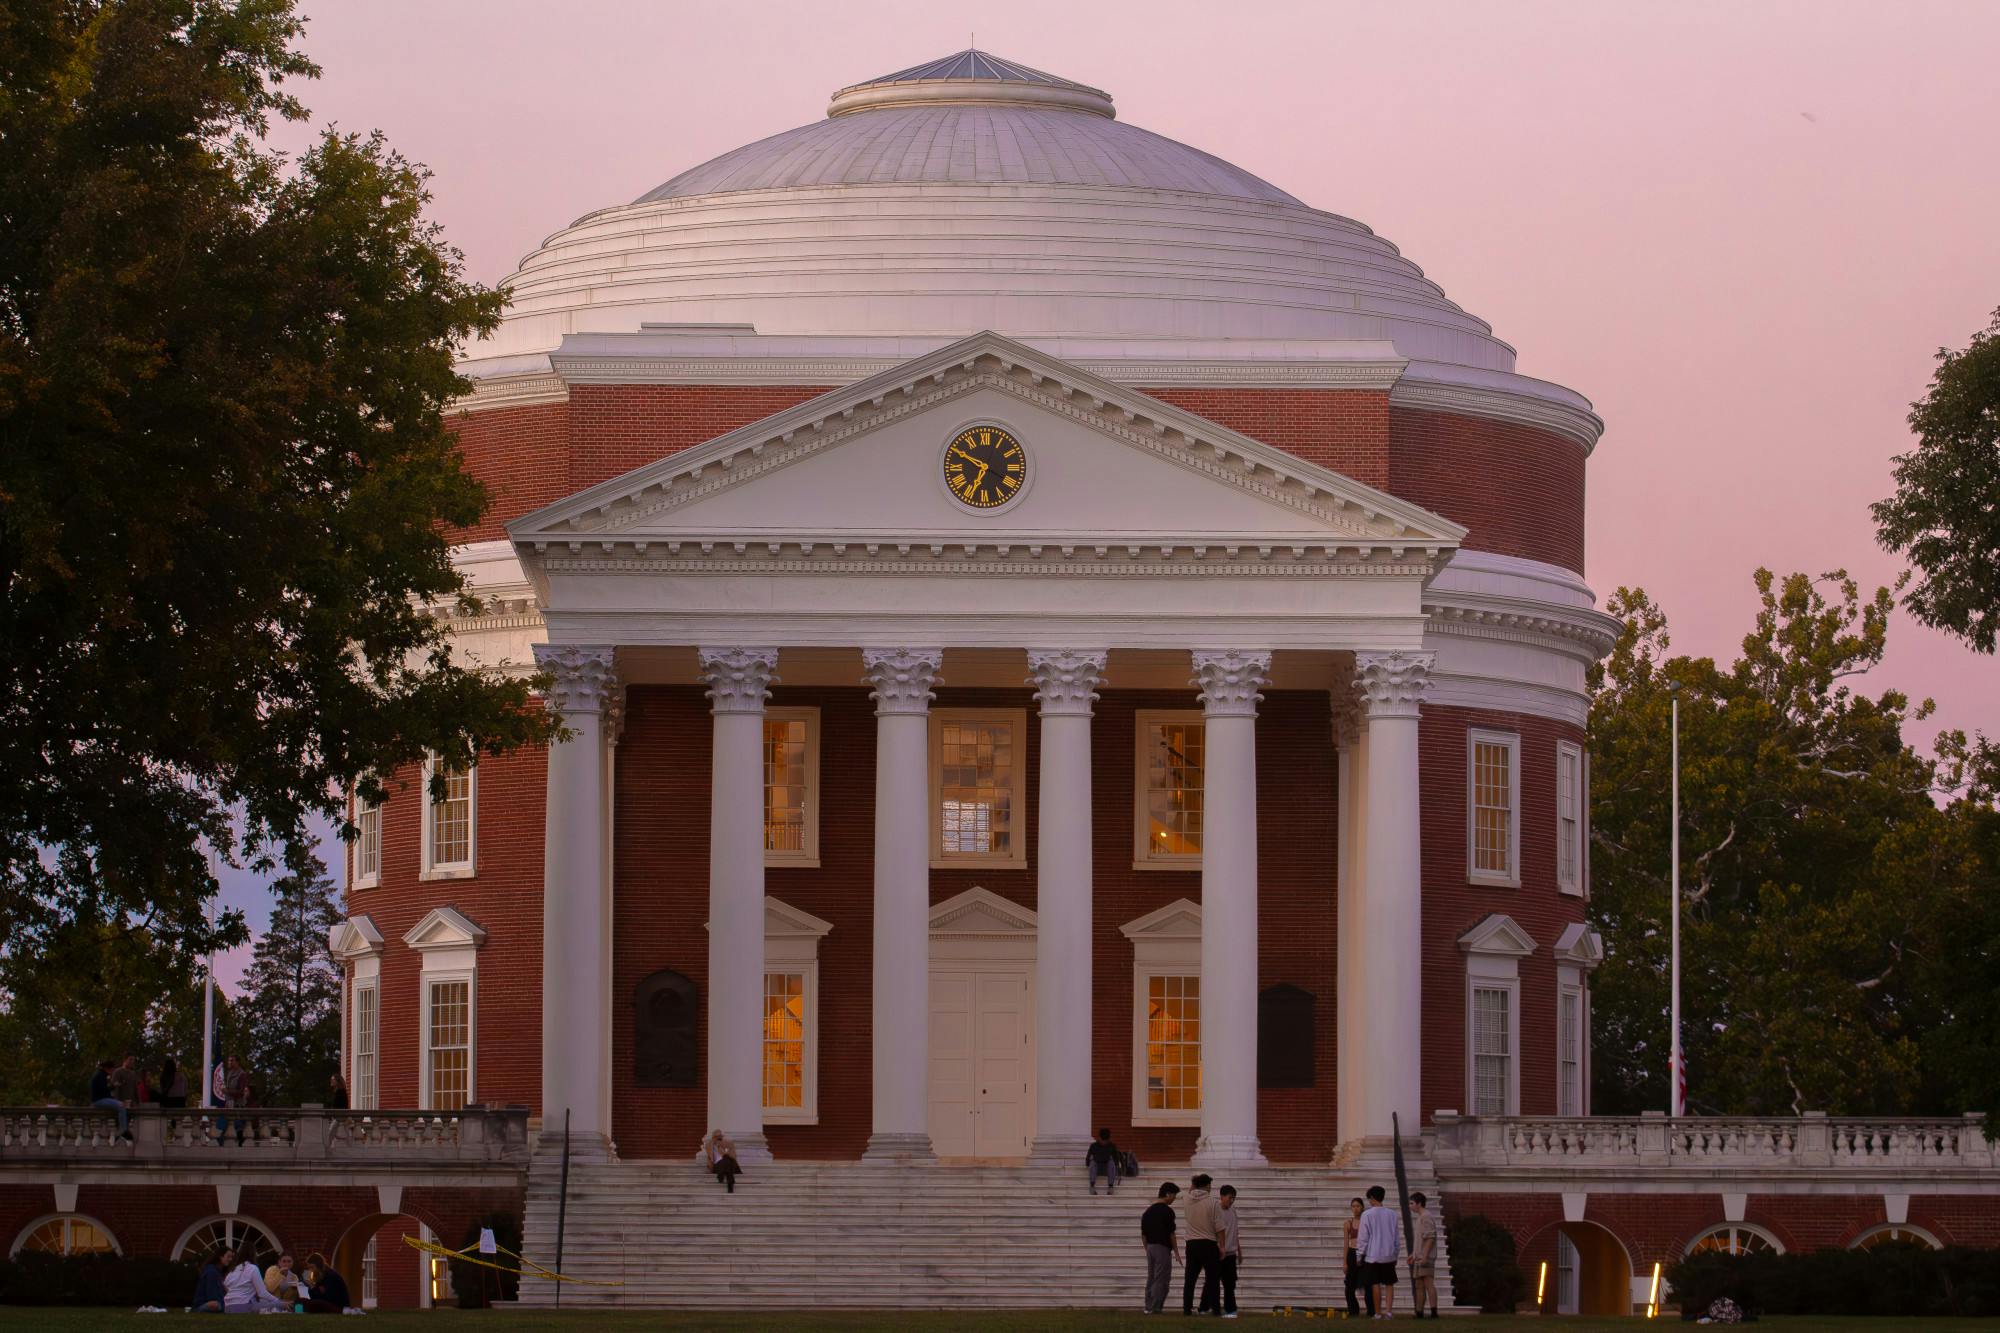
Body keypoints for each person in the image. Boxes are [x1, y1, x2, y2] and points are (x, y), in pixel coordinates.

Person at [1181, 1173, 1223, 1317]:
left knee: (1190, 1279)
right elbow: (1220, 1228)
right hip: (1208, 1243)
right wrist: (1222, 1246)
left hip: (1191, 1244)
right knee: (1212, 1279)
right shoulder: (1213, 1202)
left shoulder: (1186, 1199)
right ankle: (1216, 1309)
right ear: (1206, 1186)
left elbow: (1190, 1190)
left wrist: (1194, 1183)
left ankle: (1187, 1309)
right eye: (1210, 1185)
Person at [1356, 1185, 1401, 1320]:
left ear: (1372, 1198)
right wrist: (1395, 1254)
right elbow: (1396, 1237)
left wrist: (1359, 1255)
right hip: (1389, 1254)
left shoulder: (1367, 1215)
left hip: (1373, 1255)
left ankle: (1377, 1312)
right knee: (1389, 1283)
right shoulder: (1392, 1214)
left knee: (1375, 1283)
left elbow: (1363, 1238)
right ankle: (1389, 1312)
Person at [1139, 1181, 1180, 1315]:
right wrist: (1176, 1252)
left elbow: (1143, 1234)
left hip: (1150, 1246)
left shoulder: (1148, 1212)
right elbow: (1171, 1234)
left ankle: (1148, 1305)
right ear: (1167, 1194)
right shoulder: (1167, 1211)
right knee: (1161, 1278)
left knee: (1151, 1277)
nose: (1174, 1198)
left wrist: (1147, 1249)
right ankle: (1156, 1307)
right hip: (1162, 1247)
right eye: (1174, 1195)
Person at [222, 1247, 284, 1312]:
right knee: (271, 1305)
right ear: (253, 1255)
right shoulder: (253, 1268)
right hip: (242, 1306)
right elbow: (262, 1293)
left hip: (227, 1307)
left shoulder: (232, 1270)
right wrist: (279, 1302)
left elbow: (225, 1287)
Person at [1408, 1192, 1439, 1319]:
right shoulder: (1421, 1217)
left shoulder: (1426, 1217)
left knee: (1428, 1284)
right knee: (1419, 1285)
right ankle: (1419, 1312)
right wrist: (1414, 1254)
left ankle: (1434, 1312)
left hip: (1425, 1257)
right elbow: (1420, 1239)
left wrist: (1425, 1256)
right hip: (1419, 1257)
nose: (1410, 1206)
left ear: (1419, 1203)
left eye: (1412, 1203)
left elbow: (1430, 1238)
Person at [1215, 1183, 1244, 1319]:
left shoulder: (1233, 1211)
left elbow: (1235, 1232)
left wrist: (1239, 1250)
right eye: (1229, 1197)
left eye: (1233, 1198)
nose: (1231, 1201)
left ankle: (1230, 1309)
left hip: (1231, 1253)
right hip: (1218, 1253)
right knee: (1212, 1282)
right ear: (1222, 1196)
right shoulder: (1216, 1211)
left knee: (1229, 1284)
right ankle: (1205, 1307)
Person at [1342, 1196, 1371, 1319]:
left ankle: (1371, 1310)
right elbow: (1346, 1244)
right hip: (1352, 1253)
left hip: (1365, 1254)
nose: (1355, 1208)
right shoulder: (1348, 1223)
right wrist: (1344, 1262)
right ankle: (1353, 1310)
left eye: (1358, 1206)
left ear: (1362, 1207)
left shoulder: (1367, 1221)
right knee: (1349, 1285)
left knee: (1368, 1284)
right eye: (1353, 1206)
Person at [89, 1057, 132, 1140]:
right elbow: (103, 1091)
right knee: (122, 1106)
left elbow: (105, 1092)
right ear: (108, 1068)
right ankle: (123, 1129)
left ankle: (123, 1128)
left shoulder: (102, 1075)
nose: (113, 1072)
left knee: (121, 1104)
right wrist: (113, 1086)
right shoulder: (100, 1076)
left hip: (100, 1099)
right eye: (112, 1069)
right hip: (98, 1100)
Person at [1085, 1127, 1122, 1195]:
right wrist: (1089, 1163)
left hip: (1107, 1170)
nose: (1104, 1143)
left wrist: (1118, 1169)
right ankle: (1092, 1186)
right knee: (1093, 1162)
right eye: (1103, 1141)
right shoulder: (1093, 1146)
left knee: (1111, 1163)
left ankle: (1110, 1187)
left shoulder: (1112, 1146)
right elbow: (1087, 1159)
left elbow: (1116, 1160)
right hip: (1096, 1169)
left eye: (1105, 1141)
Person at [191, 1246, 228, 1312]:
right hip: (202, 1306)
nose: (231, 1259)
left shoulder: (218, 1272)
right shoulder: (211, 1272)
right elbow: (212, 1297)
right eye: (228, 1256)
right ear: (220, 1257)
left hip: (215, 1303)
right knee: (215, 1304)